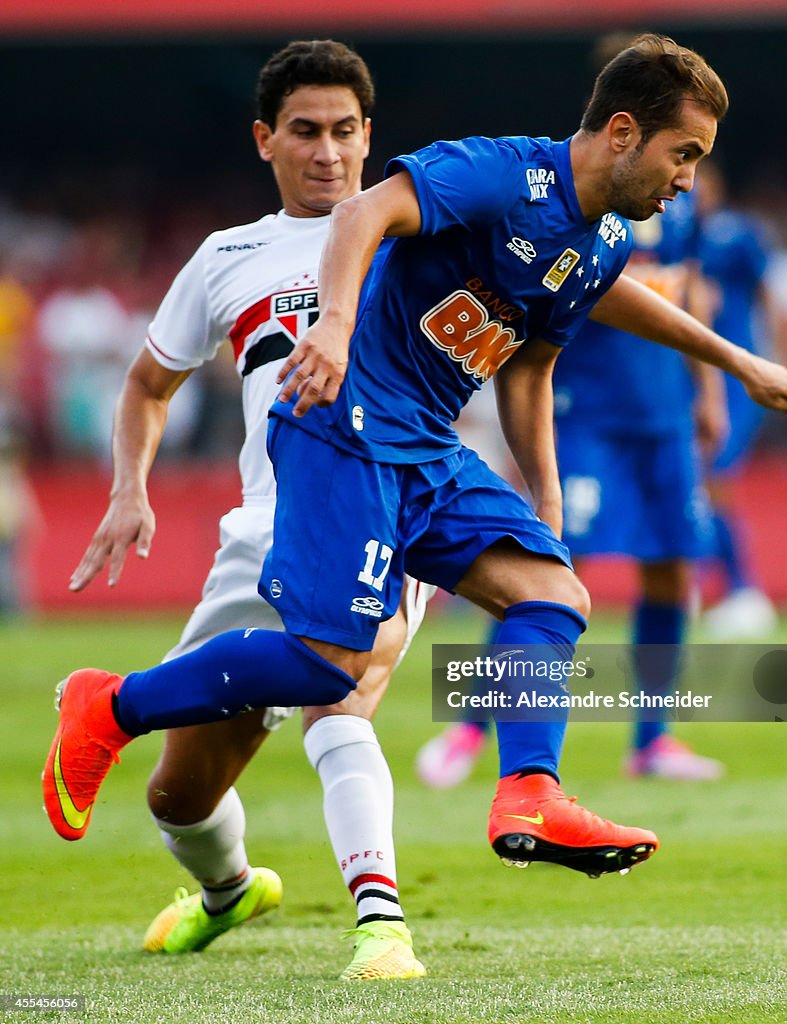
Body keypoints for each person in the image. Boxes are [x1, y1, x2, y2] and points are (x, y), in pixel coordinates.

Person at [45, 35, 787, 899]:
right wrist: (334, 326)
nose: (687, 180)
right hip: (345, 424)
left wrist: (549, 503)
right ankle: (109, 705)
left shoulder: (600, 240)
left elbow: (529, 368)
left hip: (424, 445)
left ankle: (531, 794)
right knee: (329, 669)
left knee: (553, 593)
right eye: (684, 155)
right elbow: (360, 215)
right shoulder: (500, 173)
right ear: (623, 131)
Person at [64, 40, 430, 981]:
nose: (329, 153)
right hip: (263, 526)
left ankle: (381, 928)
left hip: (392, 503)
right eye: (305, 132)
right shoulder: (227, 256)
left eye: (346, 132)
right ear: (265, 139)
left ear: (368, 138)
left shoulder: (415, 228)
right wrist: (127, 488)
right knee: (179, 796)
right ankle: (231, 893)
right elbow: (149, 385)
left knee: (342, 691)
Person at [417, 188, 726, 788]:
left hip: (664, 418)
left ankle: (652, 740)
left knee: (672, 569)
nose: (683, 174)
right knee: (547, 568)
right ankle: (470, 727)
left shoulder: (680, 212)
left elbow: (690, 293)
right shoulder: (585, 210)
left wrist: (709, 393)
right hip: (587, 414)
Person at [695, 160, 784, 638]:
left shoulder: (738, 234)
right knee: (699, 477)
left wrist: (781, 359)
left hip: (737, 377)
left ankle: (744, 589)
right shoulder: (671, 238)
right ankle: (717, 585)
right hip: (692, 376)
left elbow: (769, 293)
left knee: (714, 474)